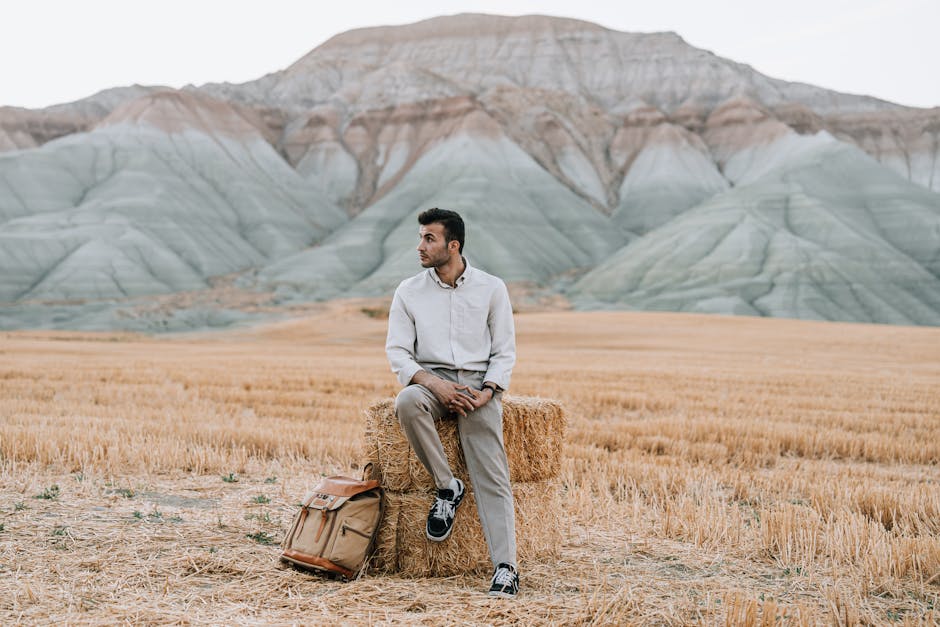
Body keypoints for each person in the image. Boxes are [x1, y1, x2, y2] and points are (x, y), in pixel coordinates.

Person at [385, 207, 519, 598]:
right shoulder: (408, 291)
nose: (420, 246)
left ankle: (506, 569)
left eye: (429, 238)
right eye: (421, 237)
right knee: (407, 400)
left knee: (493, 474)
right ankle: (447, 487)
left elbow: (504, 351)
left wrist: (488, 391)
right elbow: (398, 353)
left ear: (453, 245)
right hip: (432, 382)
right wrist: (435, 385)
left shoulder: (492, 288)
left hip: (479, 387)